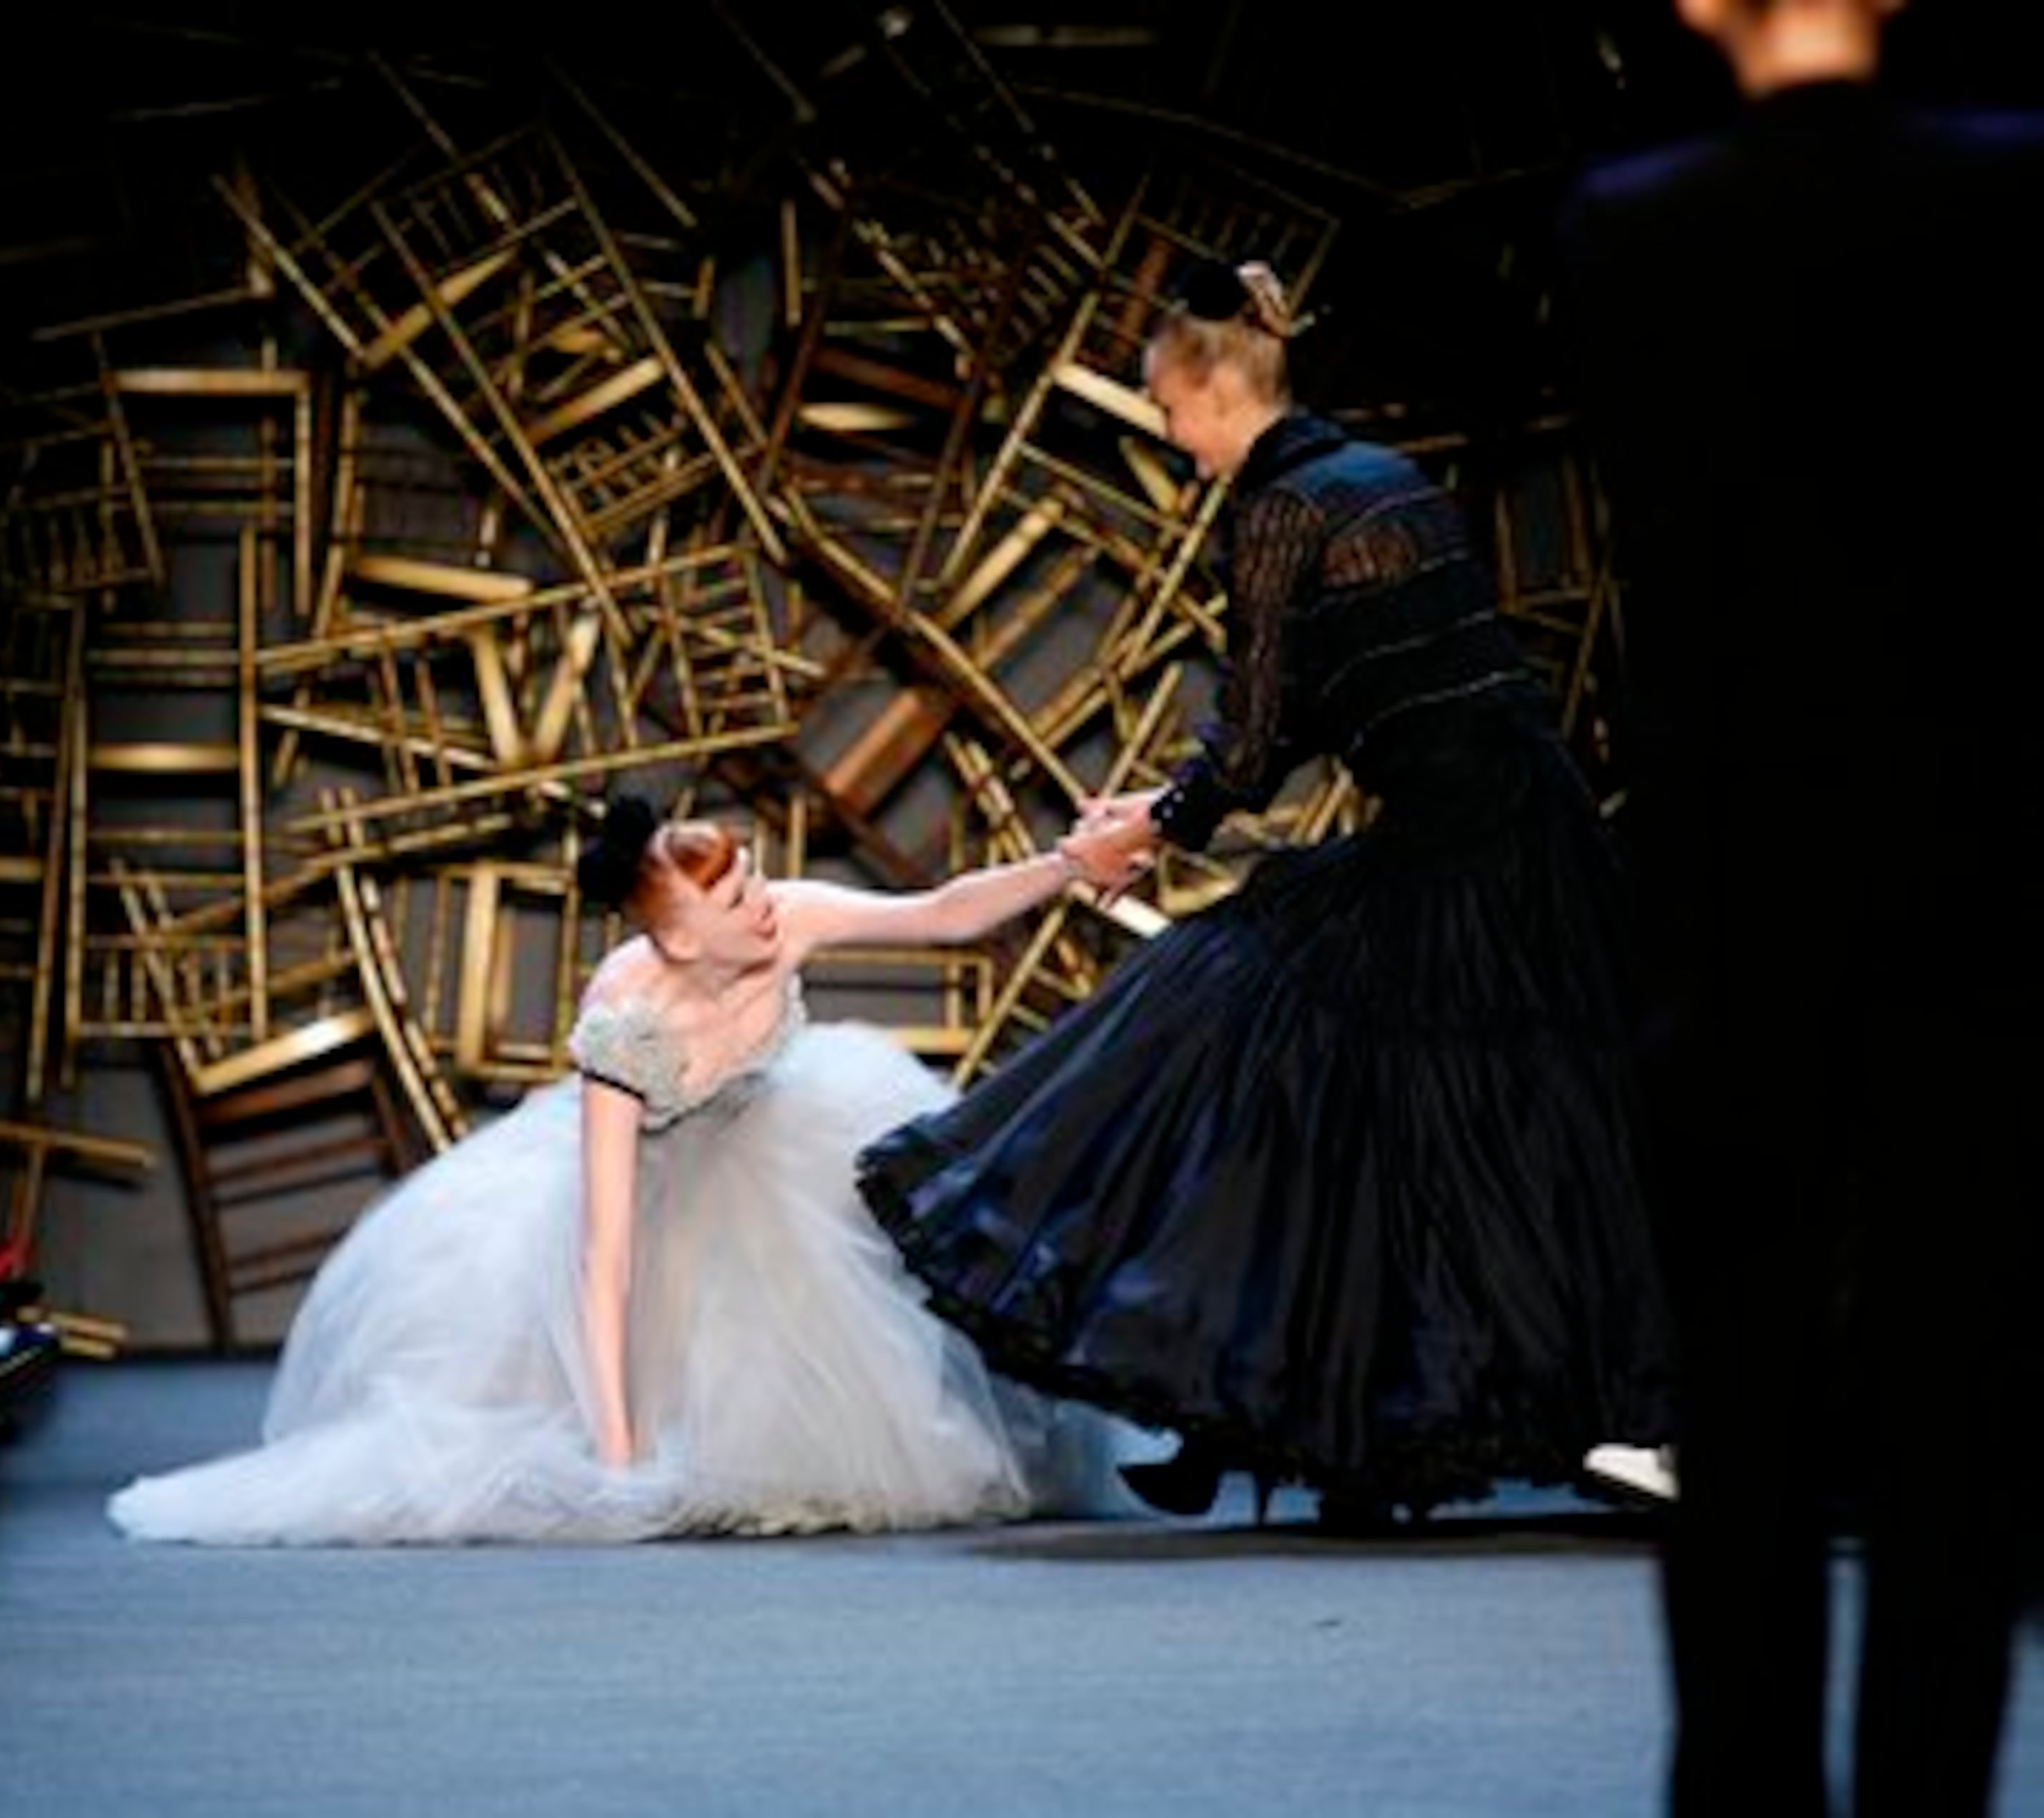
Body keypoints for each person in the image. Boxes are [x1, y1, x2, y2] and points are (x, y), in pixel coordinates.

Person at [857, 259, 1680, 1529]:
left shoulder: (1281, 508)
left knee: (1294, 1043)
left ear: (1206, 385)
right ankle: (1298, 1417)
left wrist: (1151, 828)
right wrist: (1164, 815)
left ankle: (1627, 1416)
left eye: (1166, 409)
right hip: (1518, 823)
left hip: (1469, 852)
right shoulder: (1380, 476)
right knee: (1407, 1099)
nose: (1171, 438)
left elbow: (1250, 740)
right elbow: (1309, 714)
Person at [1558, 4, 2040, 1812]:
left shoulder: (1634, 228)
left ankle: (1744, 1789)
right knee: (1956, 1400)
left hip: (1734, 881)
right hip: (1980, 876)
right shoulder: (2009, 201)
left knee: (1741, 1401)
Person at [107, 799, 1130, 1545]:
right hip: (657, 1197)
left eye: (753, 874)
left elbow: (941, 912)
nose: (760, 899)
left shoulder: (786, 919)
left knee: (902, 1217)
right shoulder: (626, 1020)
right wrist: (618, 1445)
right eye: (731, 894)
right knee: (638, 1384)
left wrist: (1068, 864)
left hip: (779, 1140)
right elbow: (604, 1250)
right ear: (679, 933)